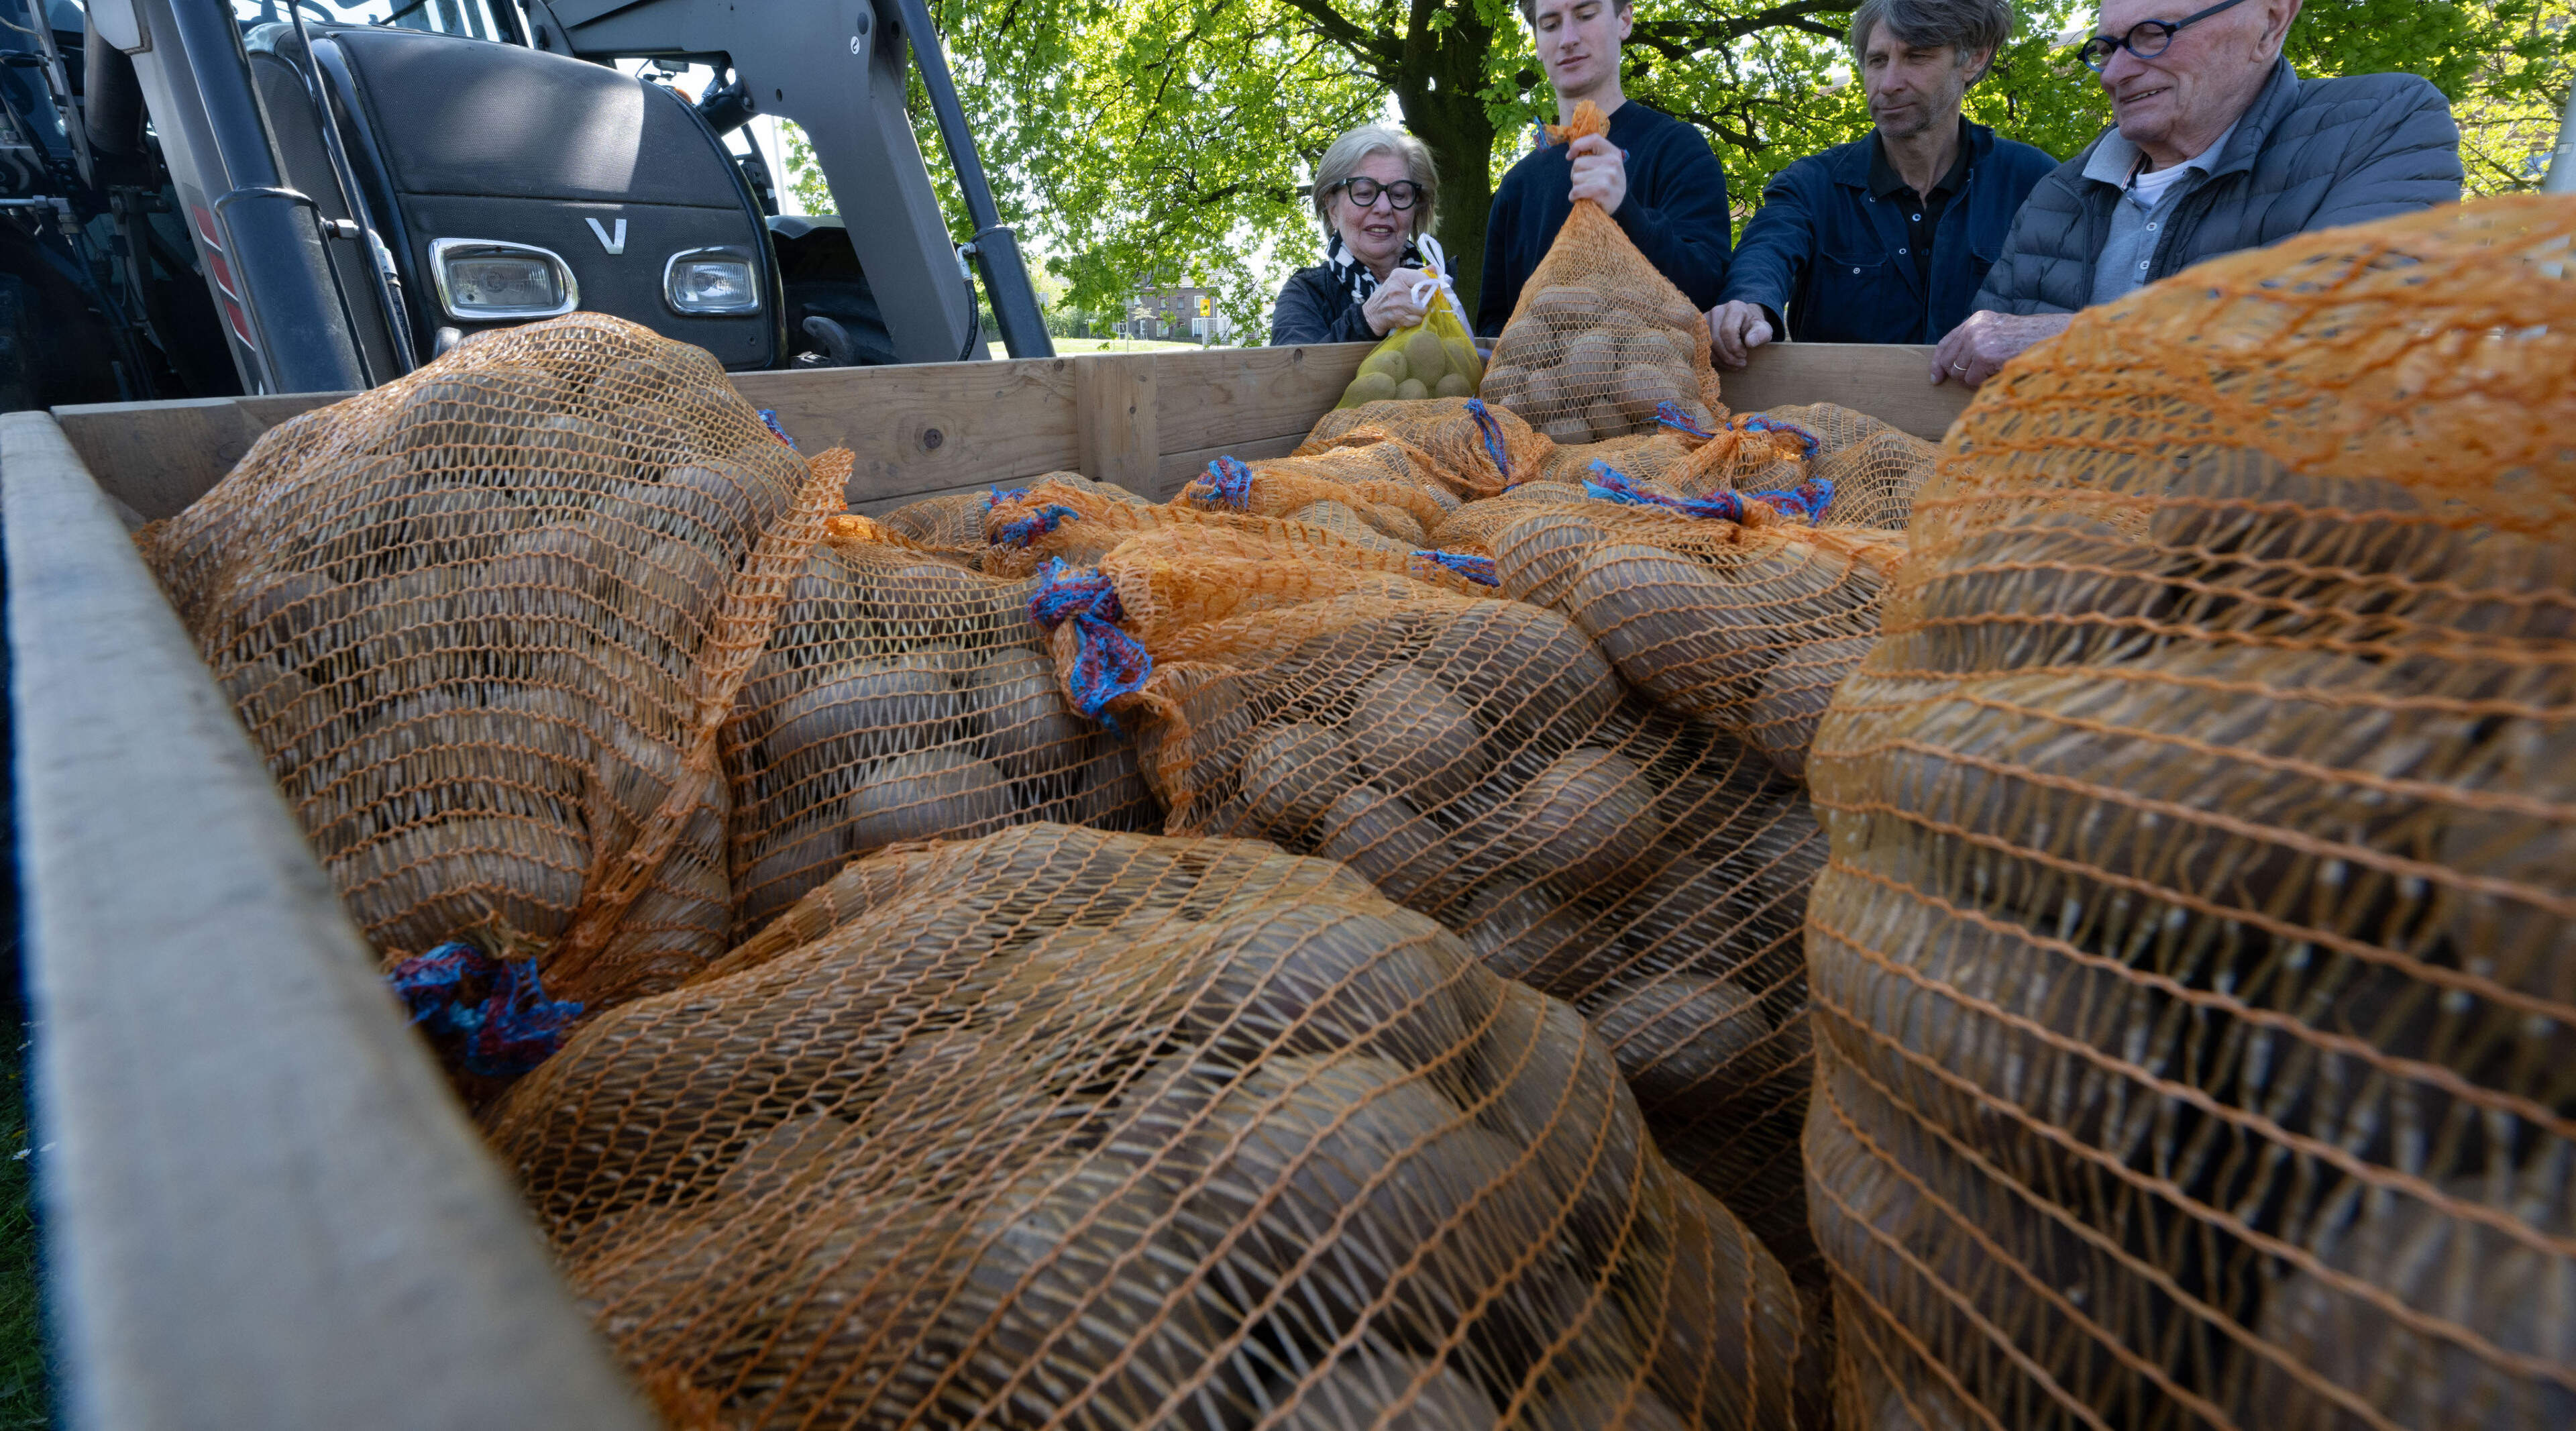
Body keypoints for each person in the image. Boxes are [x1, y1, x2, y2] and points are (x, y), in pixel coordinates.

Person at [1930, 0, 2460, 386]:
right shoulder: (2059, 192)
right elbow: (1982, 372)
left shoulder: (2382, 120)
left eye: (2152, 34)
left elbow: (2361, 326)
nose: (2115, 72)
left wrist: (2074, 339)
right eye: (2106, 47)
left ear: (2270, 24)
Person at [1705, 0, 2057, 366]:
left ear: (1975, 58)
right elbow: (1766, 253)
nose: (1888, 84)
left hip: (1998, 418)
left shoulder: (2038, 184)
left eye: (1917, 57)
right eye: (1876, 61)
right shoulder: (1811, 186)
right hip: (1834, 420)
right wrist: (1748, 306)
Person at [1474, 0, 1735, 337]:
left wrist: (1626, 212)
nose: (1568, 38)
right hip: (1537, 388)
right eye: (1551, 25)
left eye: (1585, 15)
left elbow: (1708, 292)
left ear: (1624, 20)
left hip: (1654, 387)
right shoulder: (1516, 187)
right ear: (1538, 44)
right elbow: (1493, 325)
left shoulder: (1677, 149)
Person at [1270, 125, 1444, 346]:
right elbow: (1291, 376)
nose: (1383, 207)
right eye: (1363, 192)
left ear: (1416, 208)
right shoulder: (1306, 294)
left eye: (1399, 194)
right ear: (1333, 210)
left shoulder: (1437, 290)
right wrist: (1368, 319)